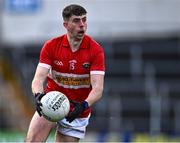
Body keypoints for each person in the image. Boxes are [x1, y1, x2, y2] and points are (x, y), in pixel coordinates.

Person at [25, 4, 105, 142]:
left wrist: (84, 105)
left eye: (84, 20)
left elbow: (98, 89)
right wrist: (38, 95)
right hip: (51, 103)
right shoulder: (51, 46)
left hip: (76, 111)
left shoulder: (95, 50)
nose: (82, 25)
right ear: (66, 25)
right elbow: (38, 79)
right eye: (76, 21)